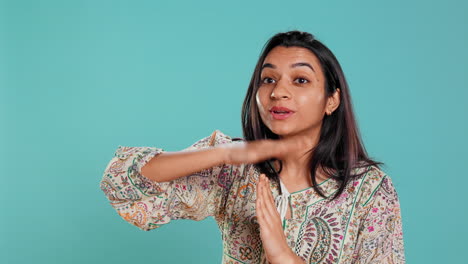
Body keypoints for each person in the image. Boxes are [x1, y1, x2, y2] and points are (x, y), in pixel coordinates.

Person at [99, 30, 405, 264]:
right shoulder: (236, 170)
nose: (278, 92)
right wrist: (227, 154)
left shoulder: (369, 190)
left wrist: (283, 256)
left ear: (332, 99)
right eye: (268, 79)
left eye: (300, 80)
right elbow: (124, 182)